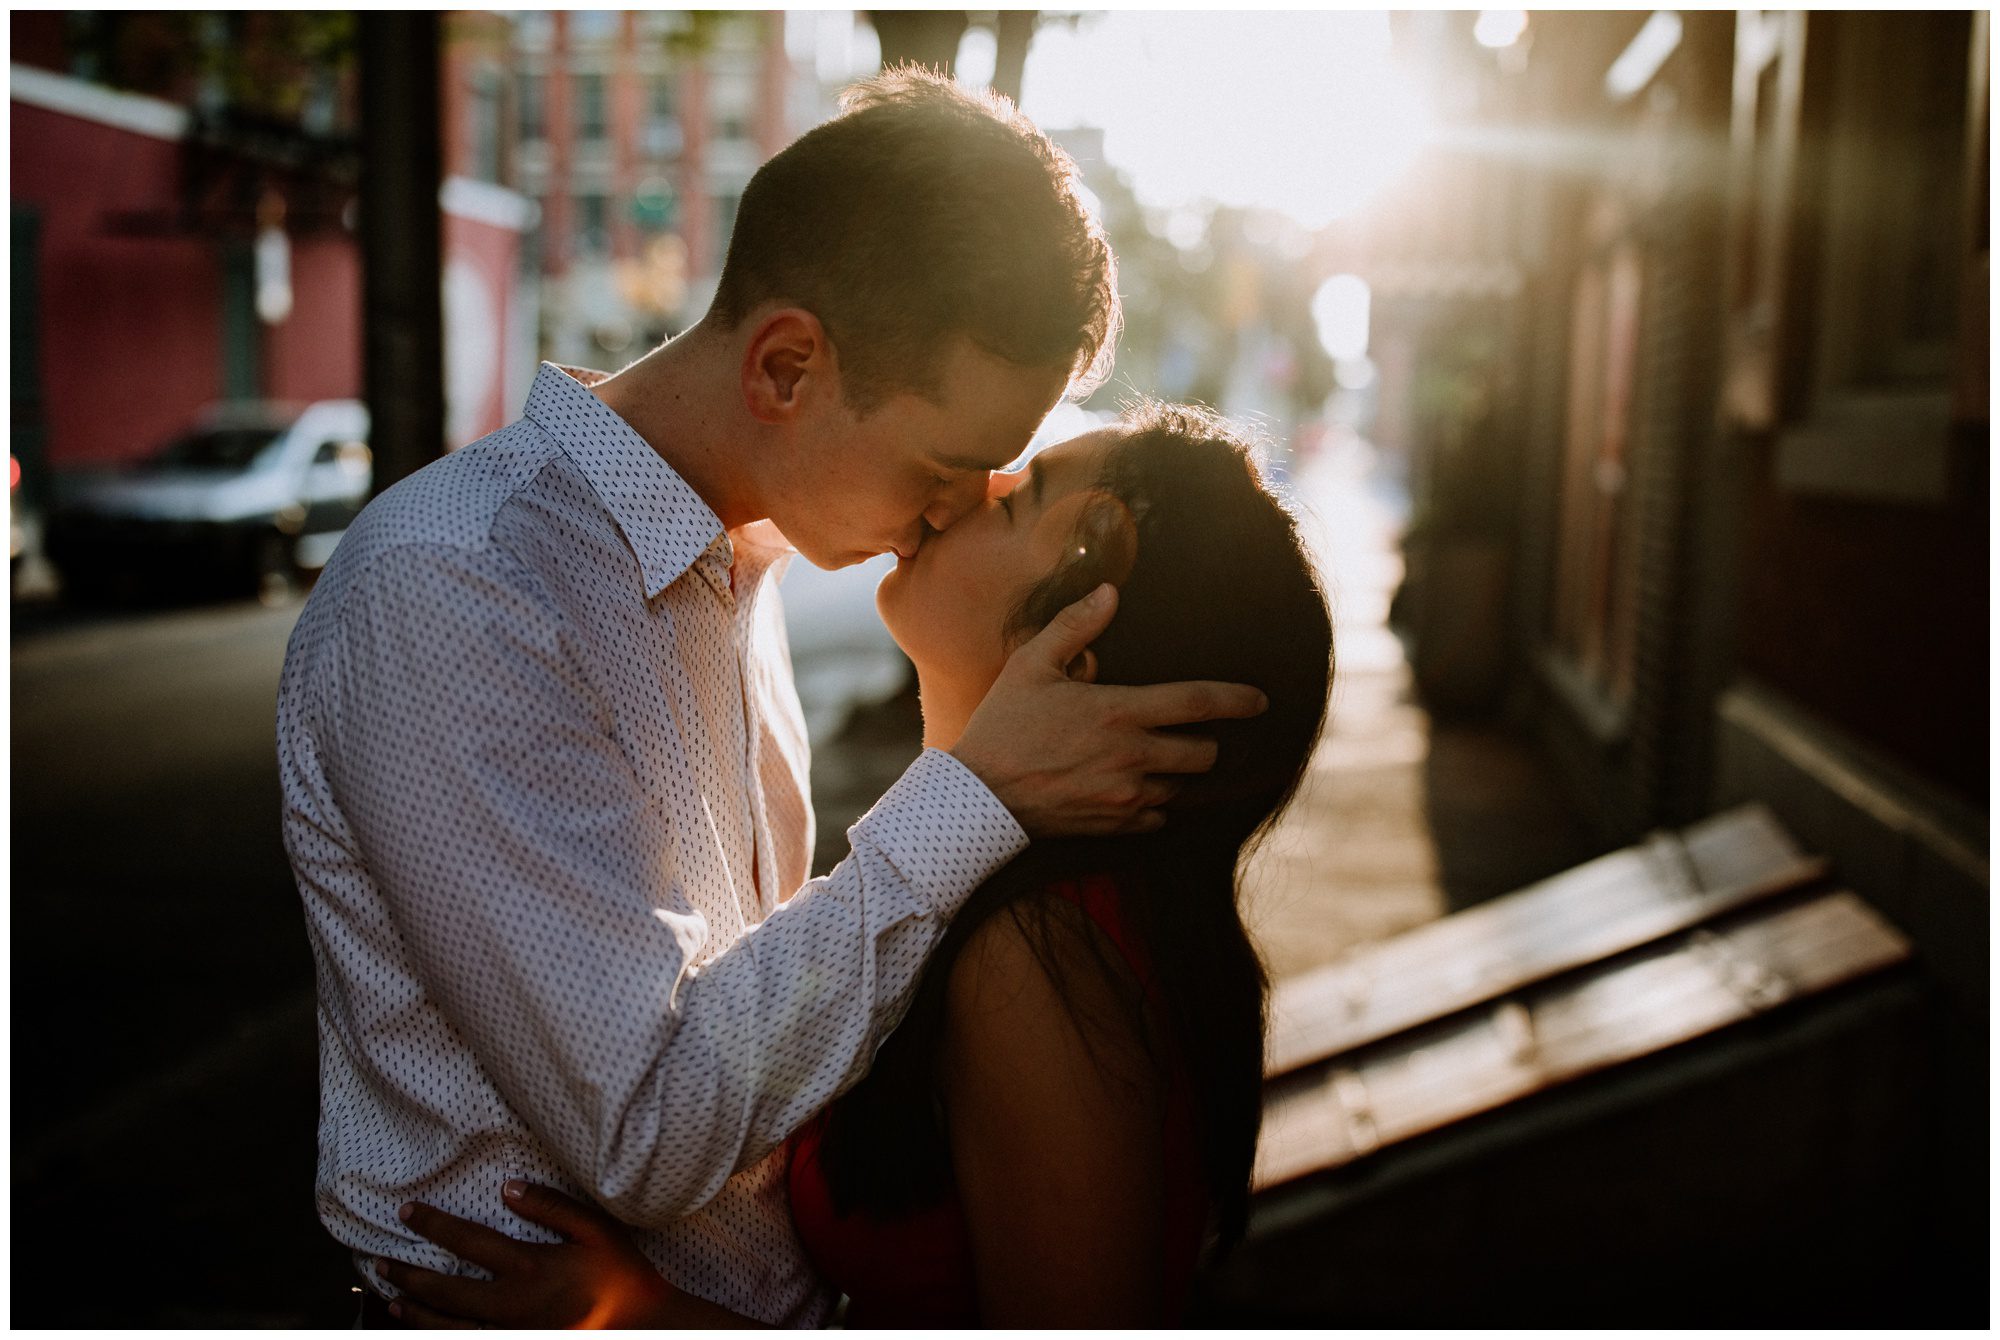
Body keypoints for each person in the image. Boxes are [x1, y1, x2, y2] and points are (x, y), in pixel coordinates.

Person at [278, 70, 1267, 1328]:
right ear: (787, 364)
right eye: (946, 463)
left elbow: (767, 1026)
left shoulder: (735, 567)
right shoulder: (463, 587)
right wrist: (969, 797)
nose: (955, 506)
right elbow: (641, 1129)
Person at [369, 403, 1336, 1327]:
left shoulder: (1036, 957)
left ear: (1080, 629)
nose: (962, 490)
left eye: (1018, 491)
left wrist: (649, 1315)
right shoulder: (990, 896)